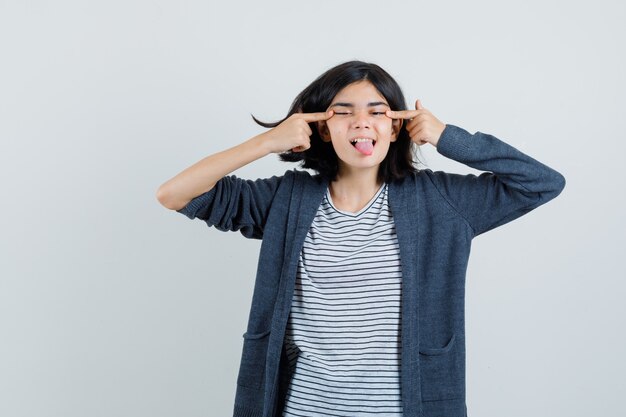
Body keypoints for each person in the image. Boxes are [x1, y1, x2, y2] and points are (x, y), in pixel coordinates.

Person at [156, 61, 565, 417]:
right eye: (342, 111)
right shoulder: (285, 199)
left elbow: (542, 184)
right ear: (320, 126)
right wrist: (268, 141)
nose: (361, 122)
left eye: (377, 111)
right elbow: (174, 194)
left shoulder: (440, 201)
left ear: (396, 125)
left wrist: (446, 136)